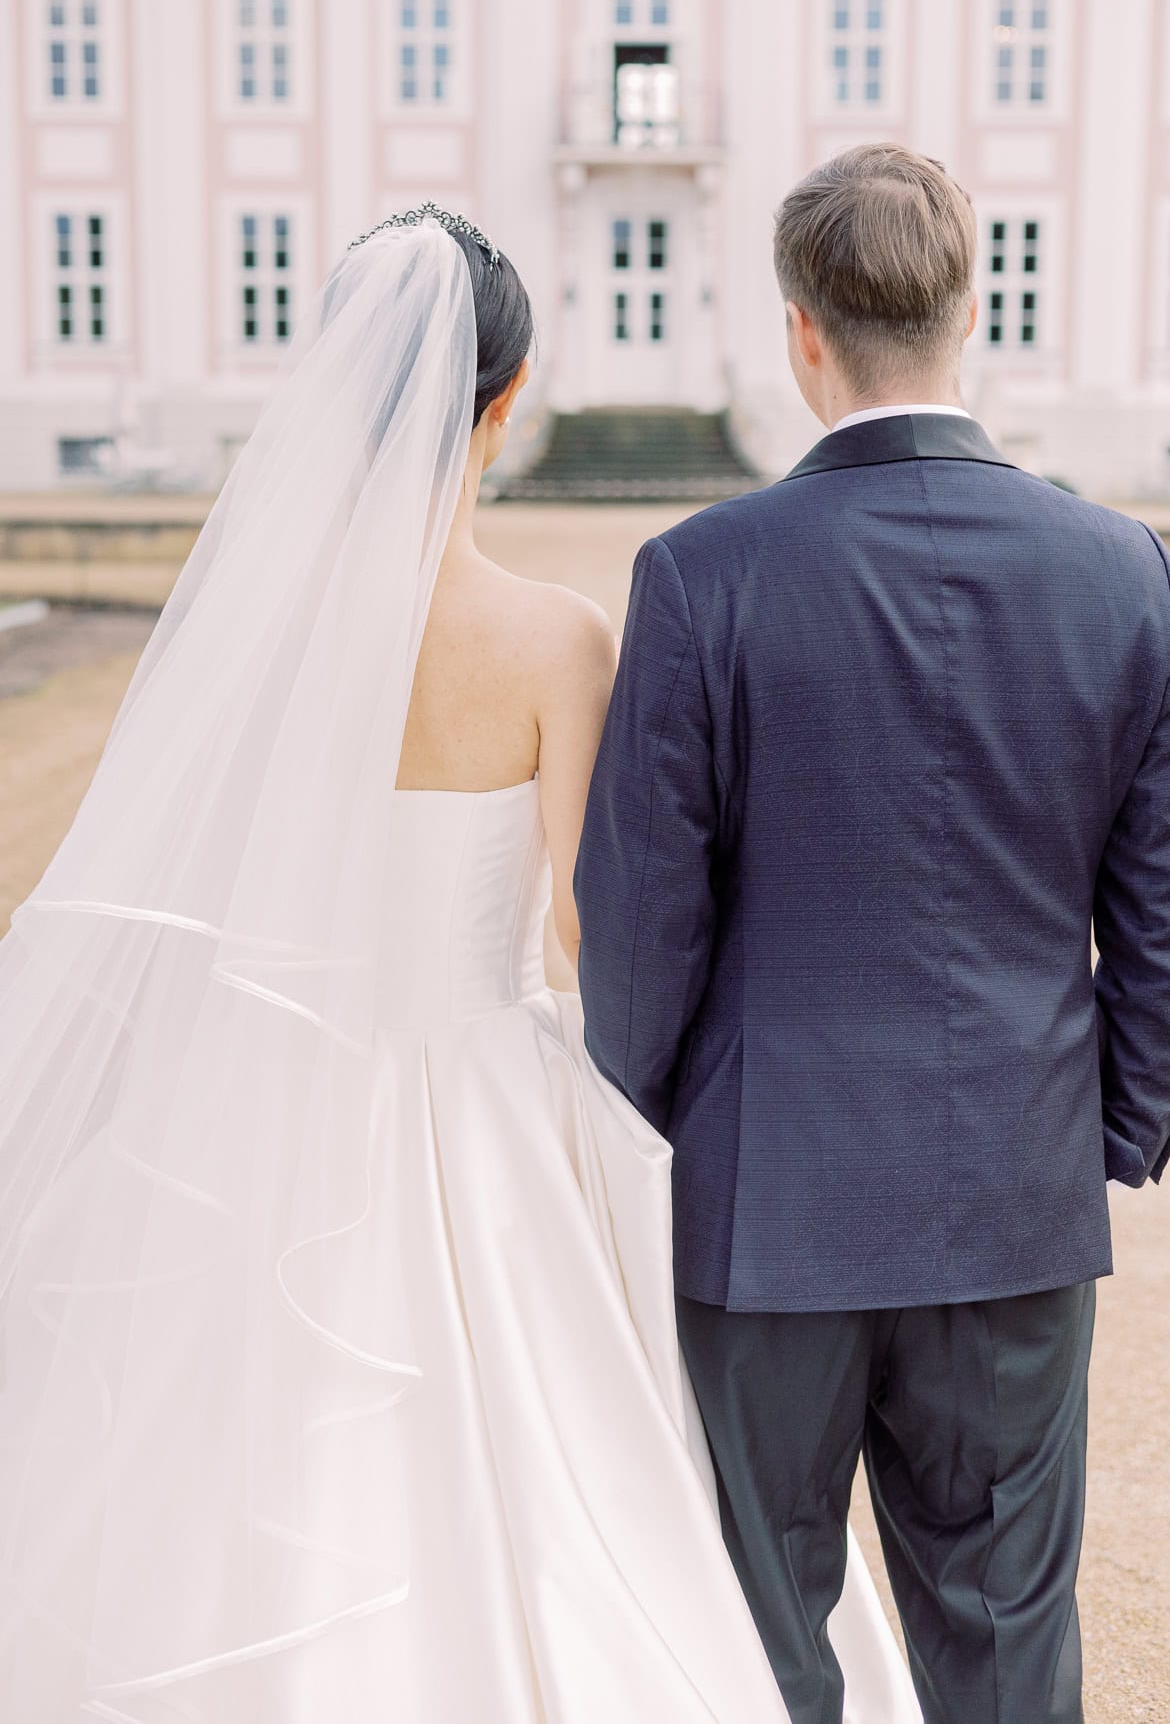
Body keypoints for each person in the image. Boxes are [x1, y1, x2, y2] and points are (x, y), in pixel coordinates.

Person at [0, 207, 917, 1721]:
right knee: (578, 1456)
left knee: (213, 1439)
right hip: (478, 1066)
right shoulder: (556, 638)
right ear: (509, 398)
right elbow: (584, 924)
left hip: (264, 1071)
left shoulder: (261, 632)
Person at [576, 143, 1170, 1724]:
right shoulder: (1122, 575)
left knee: (761, 1638)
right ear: (967, 312)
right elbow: (1159, 906)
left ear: (798, 331)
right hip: (1014, 1192)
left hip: (762, 1204)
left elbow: (642, 921)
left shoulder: (699, 576)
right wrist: (1110, 1132)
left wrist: (632, 1147)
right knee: (1003, 1638)